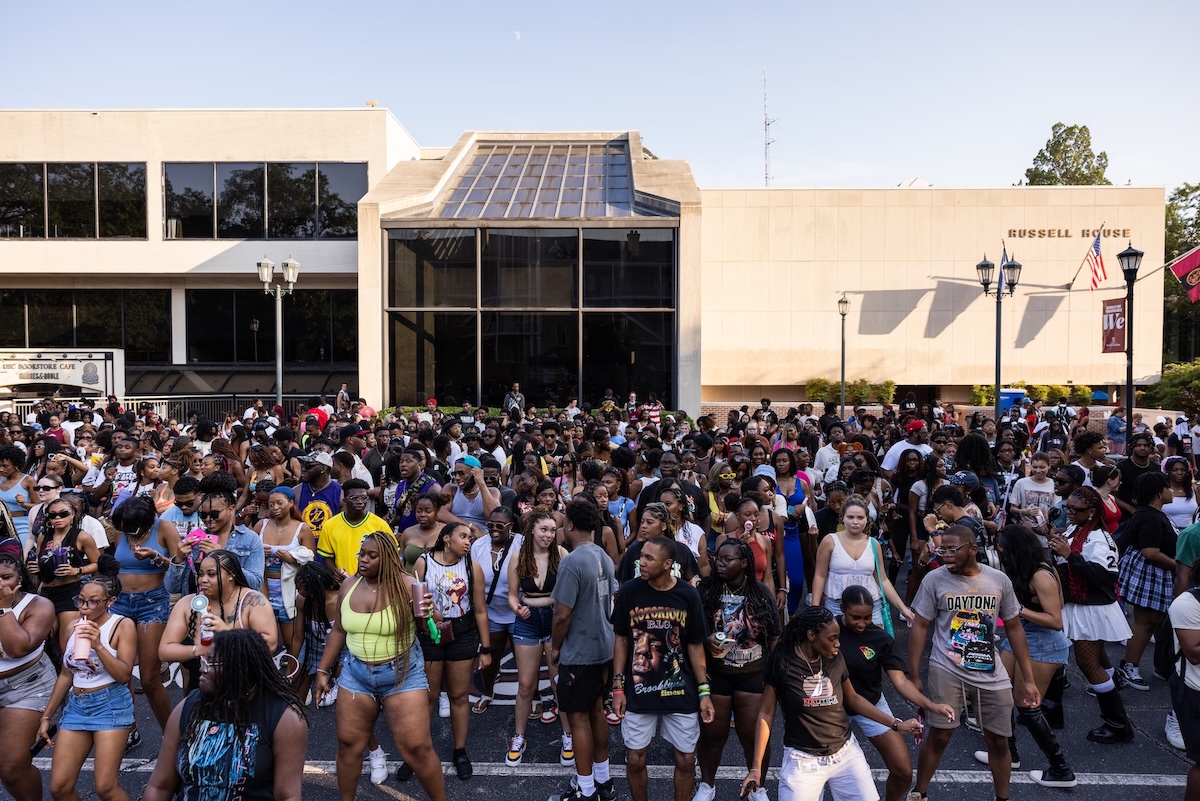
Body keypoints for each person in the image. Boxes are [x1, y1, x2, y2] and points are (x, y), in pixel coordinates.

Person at [906, 524, 1041, 801]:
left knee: (998, 740)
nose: (946, 556)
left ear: (972, 549)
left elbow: (1014, 628)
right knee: (940, 735)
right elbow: (920, 625)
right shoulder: (934, 580)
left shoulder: (998, 580)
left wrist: (1028, 680)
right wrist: (914, 675)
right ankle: (919, 793)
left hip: (989, 669)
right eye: (942, 550)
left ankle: (1002, 798)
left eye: (952, 550)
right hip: (946, 666)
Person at [315, 532, 446, 801]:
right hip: (356, 674)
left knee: (417, 748)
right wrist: (322, 670)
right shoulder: (349, 584)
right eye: (362, 554)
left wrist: (429, 611)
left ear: (387, 558)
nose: (363, 560)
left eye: (371, 556)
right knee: (348, 745)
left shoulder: (408, 585)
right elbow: (339, 630)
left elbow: (430, 626)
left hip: (402, 673)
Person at [740, 606, 921, 801]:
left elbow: (853, 698)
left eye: (838, 638)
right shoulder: (782, 662)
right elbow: (766, 713)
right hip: (803, 761)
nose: (838, 644)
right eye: (832, 638)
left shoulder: (834, 658)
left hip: (845, 754)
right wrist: (756, 768)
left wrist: (895, 724)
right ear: (811, 635)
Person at [143, 628, 307, 801]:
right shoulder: (189, 706)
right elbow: (160, 786)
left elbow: (288, 796)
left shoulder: (284, 718)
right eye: (204, 660)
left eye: (211, 662)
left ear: (239, 669)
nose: (202, 668)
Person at [610, 537, 713, 801]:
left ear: (667, 564)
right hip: (638, 691)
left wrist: (704, 691)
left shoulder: (688, 594)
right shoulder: (630, 591)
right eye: (641, 557)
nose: (641, 563)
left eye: (649, 558)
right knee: (635, 758)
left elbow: (695, 645)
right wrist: (618, 686)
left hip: (680, 690)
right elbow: (621, 639)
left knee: (686, 760)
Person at [837, 585, 955, 801]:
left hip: (871, 704)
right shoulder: (828, 631)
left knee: (903, 772)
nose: (861, 624)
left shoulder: (880, 639)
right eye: (855, 617)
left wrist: (931, 705)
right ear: (842, 609)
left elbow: (900, 681)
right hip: (833, 709)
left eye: (867, 617)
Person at [984, 524, 1077, 787]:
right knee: (999, 693)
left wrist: (1018, 608)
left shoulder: (1041, 574)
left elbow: (1056, 619)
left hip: (1044, 645)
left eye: (1003, 549)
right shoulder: (1026, 569)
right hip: (1022, 637)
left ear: (1016, 548)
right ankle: (1009, 754)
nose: (1000, 553)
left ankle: (1061, 769)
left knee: (1027, 706)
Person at [38, 566, 136, 801]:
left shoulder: (122, 626)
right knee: (60, 788)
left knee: (106, 788)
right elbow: (66, 674)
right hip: (77, 706)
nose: (84, 607)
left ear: (110, 601)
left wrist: (98, 645)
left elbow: (124, 675)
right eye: (80, 600)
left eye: (93, 602)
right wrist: (46, 716)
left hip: (110, 705)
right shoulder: (72, 625)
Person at [695, 538, 781, 801]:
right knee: (712, 736)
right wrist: (707, 639)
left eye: (727, 559)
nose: (720, 564)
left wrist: (773, 675)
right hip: (716, 675)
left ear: (744, 563)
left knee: (752, 736)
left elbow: (775, 637)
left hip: (753, 676)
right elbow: (693, 633)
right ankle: (707, 786)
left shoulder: (761, 593)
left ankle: (758, 787)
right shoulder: (706, 591)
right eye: (718, 559)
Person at [1049, 486, 1134, 742]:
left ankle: (1118, 724)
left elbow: (1106, 577)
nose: (1070, 512)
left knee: (1088, 663)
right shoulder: (1077, 529)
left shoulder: (1099, 538)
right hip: (1078, 604)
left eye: (1076, 509)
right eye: (1068, 508)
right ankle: (1054, 709)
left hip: (1092, 608)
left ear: (1092, 512)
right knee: (1096, 657)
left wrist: (1069, 556)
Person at [412, 521, 492, 780]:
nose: (468, 542)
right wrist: (425, 617)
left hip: (462, 633)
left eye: (470, 538)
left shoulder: (472, 566)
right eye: (463, 536)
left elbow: (480, 609)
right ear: (446, 538)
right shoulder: (423, 563)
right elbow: (413, 605)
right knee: (428, 696)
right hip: (430, 632)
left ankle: (460, 751)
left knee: (459, 696)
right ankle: (419, 751)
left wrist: (486, 648)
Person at [550, 498, 618, 801]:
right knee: (597, 712)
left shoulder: (572, 561)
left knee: (577, 718)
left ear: (570, 525)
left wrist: (555, 647)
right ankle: (604, 780)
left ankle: (586, 788)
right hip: (604, 646)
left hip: (580, 650)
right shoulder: (603, 555)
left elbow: (562, 615)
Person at [109, 496, 180, 743]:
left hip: (152, 603)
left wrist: (155, 557)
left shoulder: (164, 528)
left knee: (149, 679)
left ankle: (172, 736)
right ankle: (130, 730)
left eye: (132, 528)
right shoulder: (123, 528)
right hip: (119, 601)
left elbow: (180, 567)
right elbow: (116, 564)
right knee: (121, 674)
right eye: (123, 528)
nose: (127, 533)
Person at [505, 510, 572, 766]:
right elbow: (512, 595)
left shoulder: (562, 554)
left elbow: (569, 592)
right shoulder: (518, 557)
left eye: (553, 530)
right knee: (525, 685)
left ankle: (568, 736)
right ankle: (519, 737)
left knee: (558, 683)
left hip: (556, 620)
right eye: (544, 529)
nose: (549, 535)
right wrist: (516, 608)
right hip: (528, 621)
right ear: (532, 530)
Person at [159, 550, 277, 693]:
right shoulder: (188, 604)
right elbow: (165, 651)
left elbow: (270, 645)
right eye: (201, 574)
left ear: (231, 575)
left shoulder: (253, 601)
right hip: (201, 689)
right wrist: (198, 650)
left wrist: (227, 633)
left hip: (246, 689)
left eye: (211, 574)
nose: (203, 580)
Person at [0, 547, 57, 801]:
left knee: (12, 768)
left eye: (6, 577)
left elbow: (18, 649)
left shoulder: (39, 605)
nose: (0, 584)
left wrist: (3, 609)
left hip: (27, 687)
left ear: (20, 579)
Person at [811, 496, 913, 629]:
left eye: (860, 518)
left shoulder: (874, 544)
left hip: (871, 608)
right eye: (850, 517)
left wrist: (903, 609)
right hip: (837, 607)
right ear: (842, 518)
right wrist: (814, 609)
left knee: (874, 642)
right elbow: (820, 575)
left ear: (866, 520)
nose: (855, 522)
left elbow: (882, 580)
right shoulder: (829, 541)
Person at [1119, 471, 1178, 692]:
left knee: (1156, 621)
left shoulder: (1154, 514)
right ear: (1158, 492)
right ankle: (1129, 667)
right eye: (1168, 487)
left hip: (1156, 572)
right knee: (1145, 622)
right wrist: (1180, 567)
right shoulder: (1150, 517)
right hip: (1151, 572)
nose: (1172, 491)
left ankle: (1162, 665)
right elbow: (1151, 553)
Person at [29, 495, 102, 653]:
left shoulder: (82, 536)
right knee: (45, 642)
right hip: (46, 592)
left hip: (69, 592)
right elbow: (39, 560)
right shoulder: (43, 536)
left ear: (72, 514)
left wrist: (77, 570)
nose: (57, 518)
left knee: (65, 644)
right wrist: (35, 568)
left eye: (63, 514)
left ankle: (67, 669)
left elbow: (98, 564)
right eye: (52, 515)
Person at [256, 485, 316, 658]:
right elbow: (247, 551)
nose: (275, 508)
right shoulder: (261, 525)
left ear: (290, 503)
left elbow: (311, 562)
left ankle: (291, 669)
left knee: (291, 641)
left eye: (279, 503)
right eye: (271, 504)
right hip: (264, 591)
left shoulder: (302, 528)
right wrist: (258, 552)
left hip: (289, 593)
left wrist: (291, 558)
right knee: (263, 642)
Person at [473, 505, 522, 716]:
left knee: (524, 659)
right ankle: (488, 692)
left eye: (500, 526)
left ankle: (534, 695)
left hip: (518, 611)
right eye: (490, 525)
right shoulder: (479, 545)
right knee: (489, 655)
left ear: (510, 526)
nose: (494, 529)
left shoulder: (522, 543)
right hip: (490, 611)